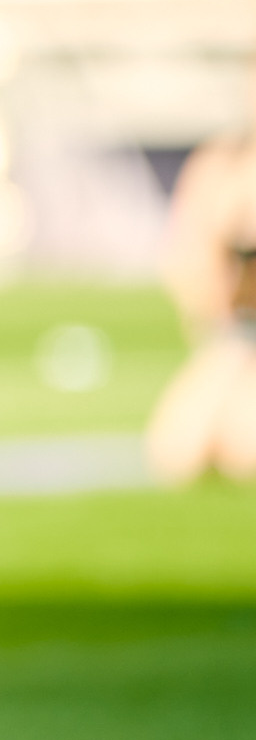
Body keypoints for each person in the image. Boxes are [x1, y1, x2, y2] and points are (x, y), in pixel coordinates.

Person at [145, 120, 256, 482]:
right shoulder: (223, 162)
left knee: (244, 450)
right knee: (181, 455)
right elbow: (190, 268)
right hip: (238, 336)